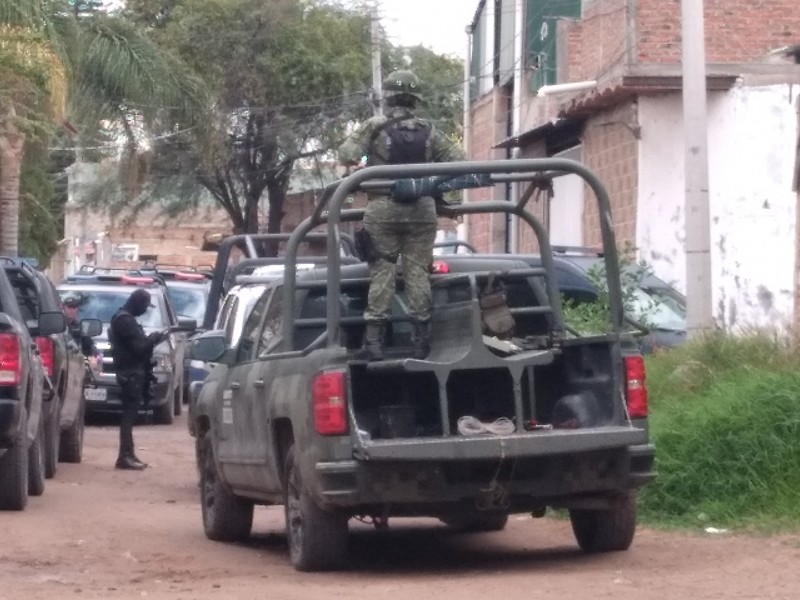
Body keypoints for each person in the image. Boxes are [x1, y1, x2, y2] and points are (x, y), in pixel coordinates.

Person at [338, 69, 464, 361]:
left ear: (390, 96)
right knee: (417, 272)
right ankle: (421, 341)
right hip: (422, 209)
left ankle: (374, 343)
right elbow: (460, 158)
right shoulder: (430, 131)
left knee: (382, 271)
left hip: (382, 208)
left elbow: (347, 152)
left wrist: (366, 162)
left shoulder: (375, 125)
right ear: (415, 99)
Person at [108, 289, 168, 470]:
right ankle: (125, 456)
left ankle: (128, 453)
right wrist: (154, 339)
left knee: (131, 415)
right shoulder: (124, 321)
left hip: (132, 372)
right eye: (144, 306)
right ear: (137, 304)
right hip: (130, 373)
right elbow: (139, 348)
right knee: (129, 415)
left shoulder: (123, 318)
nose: (144, 311)